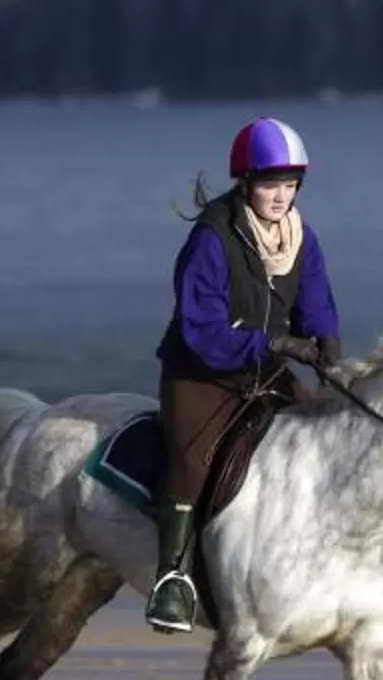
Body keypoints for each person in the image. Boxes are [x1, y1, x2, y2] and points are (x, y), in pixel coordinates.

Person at [147, 117, 342, 635]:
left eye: (289, 184)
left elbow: (315, 304)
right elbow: (201, 330)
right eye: (269, 184)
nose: (281, 196)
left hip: (262, 373)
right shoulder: (211, 239)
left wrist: (329, 349)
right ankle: (173, 579)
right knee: (193, 462)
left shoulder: (302, 237)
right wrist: (275, 342)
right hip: (202, 373)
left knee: (320, 442)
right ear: (245, 181)